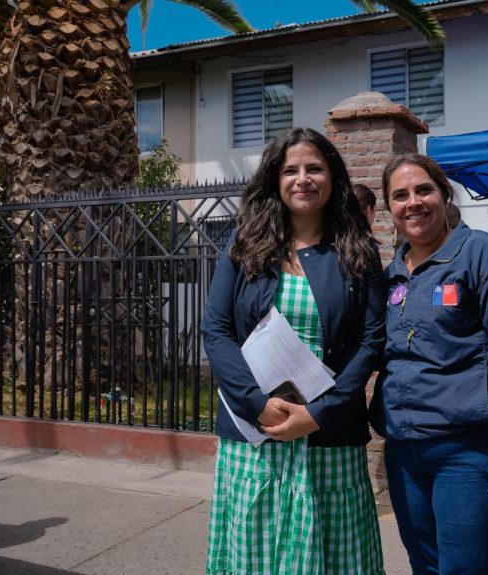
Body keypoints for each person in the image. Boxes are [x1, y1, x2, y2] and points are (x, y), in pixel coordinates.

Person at [201, 127, 386, 574]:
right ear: (276, 180)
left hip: (329, 433)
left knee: (334, 557)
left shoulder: (358, 252)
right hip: (255, 434)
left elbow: (370, 341)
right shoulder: (245, 246)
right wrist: (256, 404)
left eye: (314, 168)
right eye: (291, 170)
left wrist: (320, 412)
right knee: (255, 556)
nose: (303, 179)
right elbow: (216, 329)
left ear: (332, 177)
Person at [370, 154, 488, 575]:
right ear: (389, 208)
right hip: (404, 450)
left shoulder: (486, 256)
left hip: (469, 452)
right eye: (400, 195)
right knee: (426, 566)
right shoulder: (394, 272)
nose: (413, 202)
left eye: (423, 190)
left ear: (443, 194)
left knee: (467, 569)